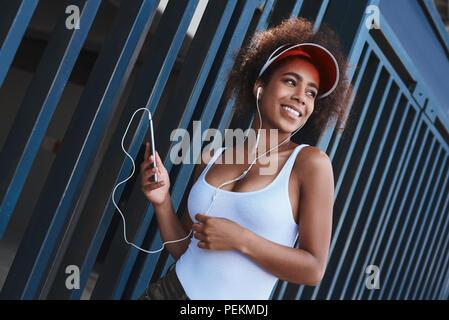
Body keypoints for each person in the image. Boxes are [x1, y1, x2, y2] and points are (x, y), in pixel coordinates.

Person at [138, 17, 352, 300]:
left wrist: (242, 240)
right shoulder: (212, 159)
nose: (301, 98)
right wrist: (162, 201)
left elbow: (313, 269)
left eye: (311, 93)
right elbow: (185, 248)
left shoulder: (310, 164)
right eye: (291, 81)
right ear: (259, 87)